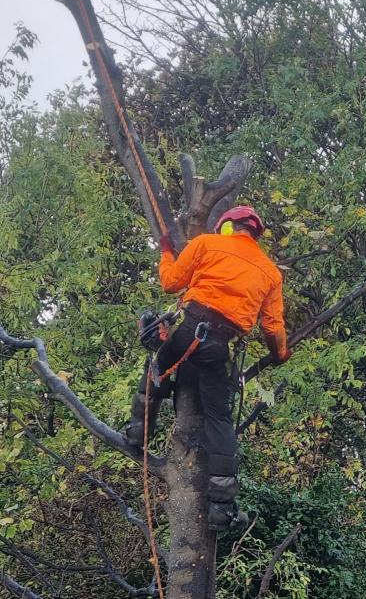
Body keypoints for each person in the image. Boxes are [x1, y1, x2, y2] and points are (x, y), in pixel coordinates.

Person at [123, 205, 291, 531]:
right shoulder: (270, 272)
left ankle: (136, 435)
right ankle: (221, 509)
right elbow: (273, 329)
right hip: (218, 347)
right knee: (219, 420)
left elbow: (171, 283)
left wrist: (168, 253)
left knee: (157, 374)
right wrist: (281, 353)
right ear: (255, 234)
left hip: (188, 329)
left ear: (227, 227)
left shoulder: (206, 243)